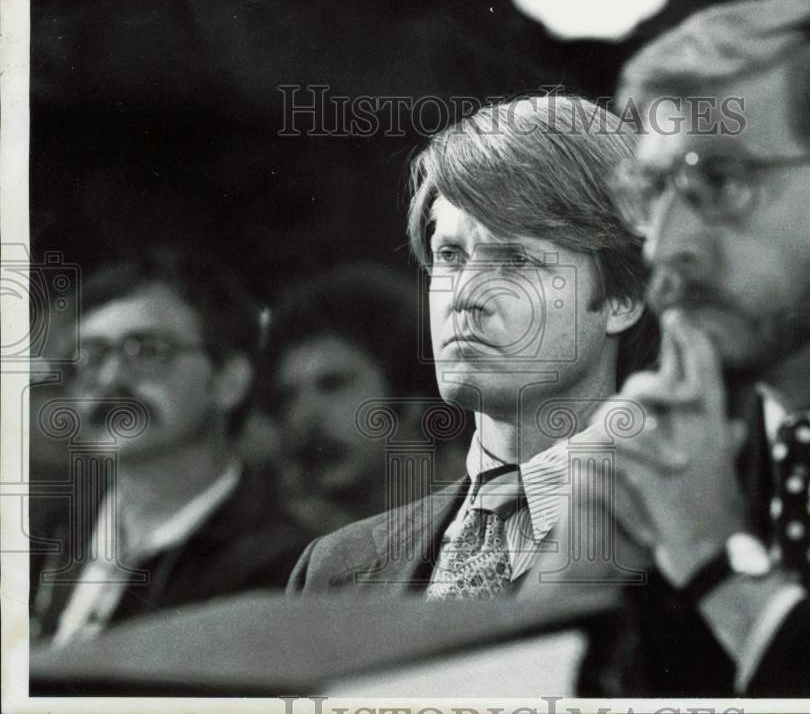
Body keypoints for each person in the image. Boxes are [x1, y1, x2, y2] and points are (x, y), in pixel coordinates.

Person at [540, 0, 810, 697]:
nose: (666, 247)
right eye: (653, 193)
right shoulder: (683, 440)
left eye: (721, 182)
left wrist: (717, 564)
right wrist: (570, 580)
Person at [287, 95, 660, 598]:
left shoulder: (683, 545)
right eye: (450, 256)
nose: (465, 296)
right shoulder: (332, 569)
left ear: (622, 296)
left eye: (516, 261)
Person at [29, 248, 311, 644]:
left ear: (229, 380)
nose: (110, 380)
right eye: (89, 358)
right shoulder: (40, 537)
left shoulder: (282, 566)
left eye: (146, 351)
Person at [256, 264, 467, 535]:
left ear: (411, 398)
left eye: (333, 385)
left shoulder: (496, 515)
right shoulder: (293, 551)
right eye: (288, 397)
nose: (302, 417)